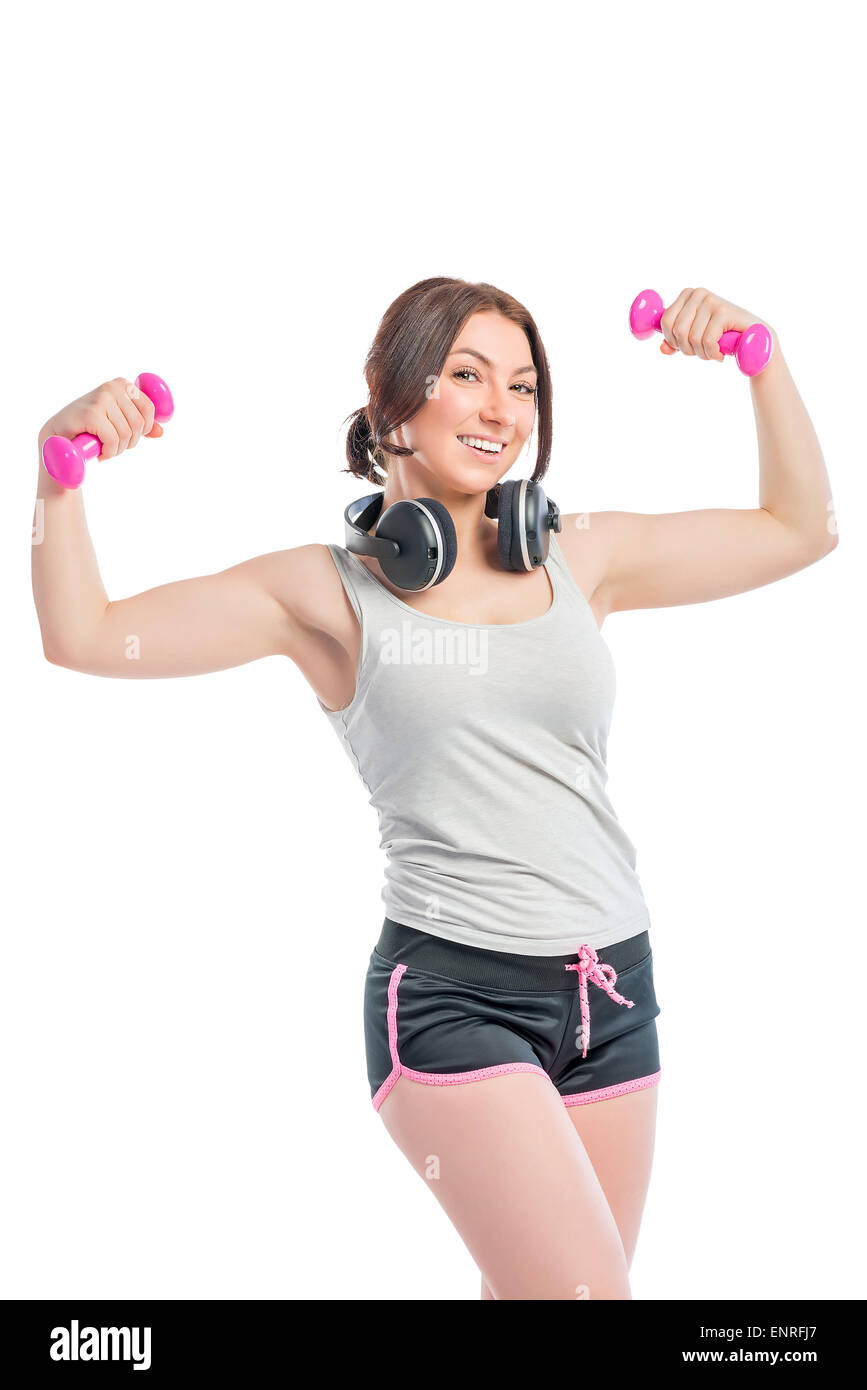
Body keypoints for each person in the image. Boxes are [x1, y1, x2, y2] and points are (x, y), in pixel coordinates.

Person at [31, 277, 837, 1300]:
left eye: (524, 385)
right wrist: (59, 476)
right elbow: (88, 634)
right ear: (391, 405)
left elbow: (801, 526)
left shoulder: (582, 555)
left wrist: (762, 358)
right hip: (458, 998)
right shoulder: (327, 590)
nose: (503, 408)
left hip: (615, 991)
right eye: (466, 375)